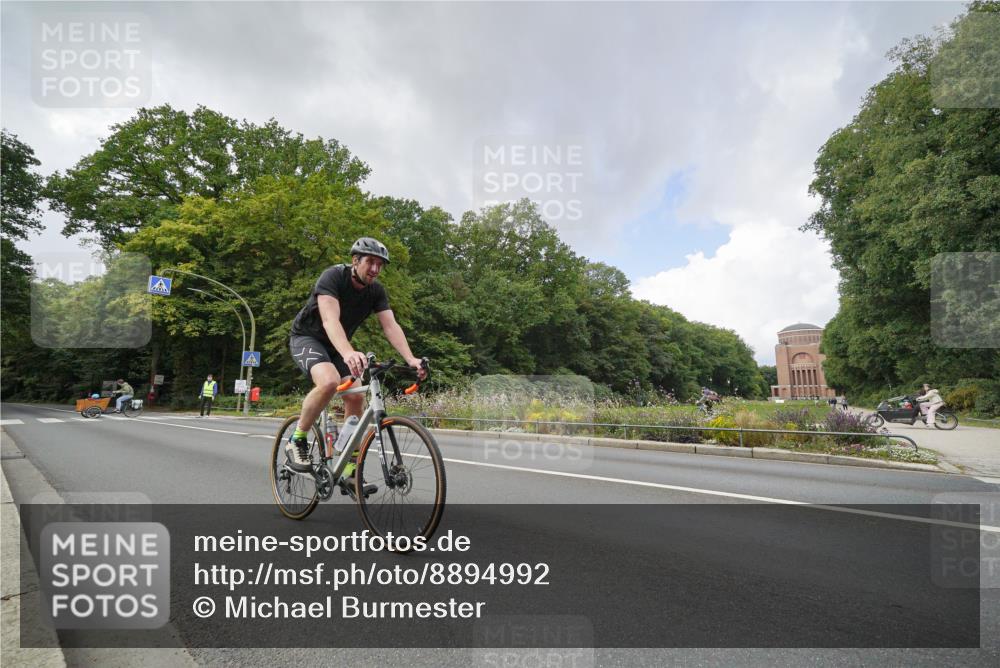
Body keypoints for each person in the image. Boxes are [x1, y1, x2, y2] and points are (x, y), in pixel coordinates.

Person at [286, 237, 426, 479]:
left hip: (337, 345)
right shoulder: (333, 277)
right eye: (370, 262)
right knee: (329, 382)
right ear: (355, 260)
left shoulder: (376, 292)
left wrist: (411, 359)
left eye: (379, 265)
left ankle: (348, 467)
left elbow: (390, 326)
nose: (374, 269)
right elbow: (330, 320)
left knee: (355, 396)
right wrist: (349, 352)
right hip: (308, 338)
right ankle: (297, 439)